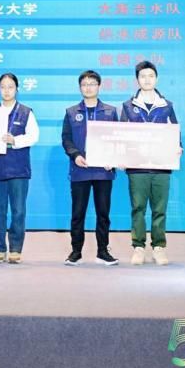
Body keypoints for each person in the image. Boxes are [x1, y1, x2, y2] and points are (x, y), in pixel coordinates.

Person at [120, 60, 182, 266]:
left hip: (161, 166)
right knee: (138, 208)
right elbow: (121, 134)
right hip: (137, 167)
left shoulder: (167, 106)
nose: (147, 80)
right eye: (143, 76)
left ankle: (158, 247)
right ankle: (138, 247)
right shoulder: (128, 106)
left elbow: (175, 133)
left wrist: (178, 147)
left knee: (159, 209)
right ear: (137, 80)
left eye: (151, 76)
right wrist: (121, 156)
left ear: (157, 78)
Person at [61, 70, 119, 266]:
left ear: (99, 86)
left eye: (92, 84)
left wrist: (112, 159)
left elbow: (117, 139)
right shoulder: (71, 112)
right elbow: (66, 139)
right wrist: (75, 155)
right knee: (78, 214)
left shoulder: (110, 112)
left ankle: (103, 251)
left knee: (103, 213)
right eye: (84, 84)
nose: (88, 87)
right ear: (80, 88)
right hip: (80, 170)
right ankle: (76, 252)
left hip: (103, 171)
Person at [0, 73, 39, 264]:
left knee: (18, 211)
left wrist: (14, 140)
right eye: (3, 87)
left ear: (17, 89)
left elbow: (33, 136)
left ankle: (16, 249)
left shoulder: (26, 112)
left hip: (18, 169)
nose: (6, 91)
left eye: (10, 87)